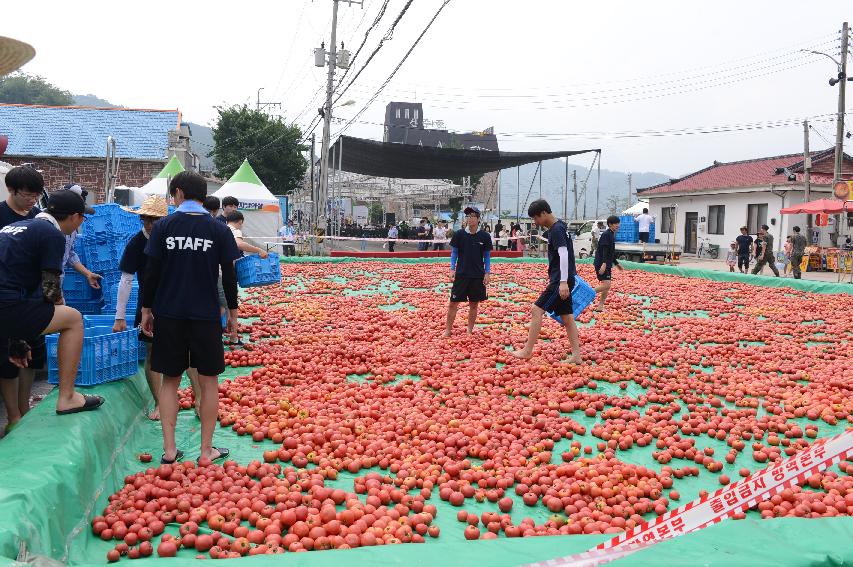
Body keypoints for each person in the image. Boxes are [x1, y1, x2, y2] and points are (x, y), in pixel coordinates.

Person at [141, 171, 240, 464]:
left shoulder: (163, 227)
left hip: (169, 313)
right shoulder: (219, 230)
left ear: (180, 193)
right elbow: (230, 274)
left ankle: (170, 451)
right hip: (205, 314)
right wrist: (233, 312)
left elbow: (152, 272)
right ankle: (206, 451)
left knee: (170, 381)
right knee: (209, 382)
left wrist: (147, 309)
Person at [0, 188, 104, 420]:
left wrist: (16, 338)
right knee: (73, 319)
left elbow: (15, 280)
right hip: (8, 307)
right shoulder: (52, 235)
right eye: (81, 219)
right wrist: (60, 307)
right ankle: (67, 397)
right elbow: (50, 289)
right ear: (75, 217)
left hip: (8, 305)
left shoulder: (16, 228)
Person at [113, 195, 171, 420]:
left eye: (155, 220)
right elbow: (126, 280)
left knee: (184, 352)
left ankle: (191, 400)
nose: (149, 224)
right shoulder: (136, 244)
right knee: (152, 352)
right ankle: (159, 402)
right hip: (149, 304)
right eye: (146, 219)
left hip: (175, 302)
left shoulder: (172, 240)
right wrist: (120, 315)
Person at [510, 199, 581, 364]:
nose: (535, 222)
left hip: (560, 280)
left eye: (535, 218)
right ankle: (576, 355)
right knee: (567, 317)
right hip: (565, 277)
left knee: (536, 310)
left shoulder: (556, 230)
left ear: (543, 213)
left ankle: (527, 350)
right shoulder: (560, 227)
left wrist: (563, 282)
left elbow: (564, 254)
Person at [445, 206, 492, 337]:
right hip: (461, 274)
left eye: (472, 216)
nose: (470, 219)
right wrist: (452, 269)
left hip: (477, 275)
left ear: (478, 219)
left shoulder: (485, 236)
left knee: (474, 304)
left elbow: (486, 256)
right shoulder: (459, 234)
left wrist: (487, 273)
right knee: (453, 303)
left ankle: (469, 331)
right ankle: (448, 330)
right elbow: (454, 253)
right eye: (468, 216)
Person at [593, 215, 624, 309]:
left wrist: (617, 264)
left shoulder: (611, 234)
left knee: (607, 285)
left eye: (618, 223)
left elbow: (611, 252)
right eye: (616, 224)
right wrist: (604, 264)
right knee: (607, 285)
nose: (618, 225)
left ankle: (600, 306)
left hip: (606, 263)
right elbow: (605, 250)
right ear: (610, 224)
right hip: (602, 263)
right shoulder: (606, 234)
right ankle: (589, 293)